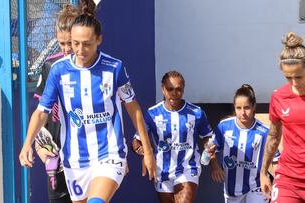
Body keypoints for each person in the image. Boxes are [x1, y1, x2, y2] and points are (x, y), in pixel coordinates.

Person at [19, 4, 156, 203]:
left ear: (98, 40)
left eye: (86, 44)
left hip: (109, 153)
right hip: (74, 159)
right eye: (75, 43)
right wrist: (27, 144)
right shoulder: (58, 70)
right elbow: (42, 112)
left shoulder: (114, 67)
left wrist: (148, 150)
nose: (79, 50)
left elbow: (132, 107)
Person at [132, 71, 214, 203]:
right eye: (170, 89)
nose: (174, 93)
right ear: (162, 89)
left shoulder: (196, 112)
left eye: (178, 89)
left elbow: (207, 137)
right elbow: (136, 141)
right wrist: (145, 154)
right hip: (162, 171)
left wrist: (209, 149)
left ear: (183, 90)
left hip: (188, 169)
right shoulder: (152, 114)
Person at [32, 3, 84, 203]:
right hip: (56, 150)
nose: (66, 49)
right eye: (61, 43)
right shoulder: (50, 65)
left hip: (84, 148)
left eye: (69, 43)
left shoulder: (93, 65)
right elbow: (40, 110)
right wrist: (40, 145)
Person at [210, 84, 279, 203]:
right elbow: (209, 150)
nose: (243, 112)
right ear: (234, 108)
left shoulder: (264, 132)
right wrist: (214, 166)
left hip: (257, 188)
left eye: (246, 107)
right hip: (231, 190)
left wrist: (278, 184)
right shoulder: (224, 127)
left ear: (253, 107)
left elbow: (276, 159)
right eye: (238, 108)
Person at [260, 32, 305, 203]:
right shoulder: (278, 97)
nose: (293, 82)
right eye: (288, 77)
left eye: (298, 76)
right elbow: (273, 136)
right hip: (288, 179)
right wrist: (264, 173)